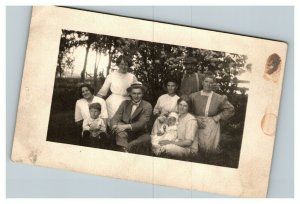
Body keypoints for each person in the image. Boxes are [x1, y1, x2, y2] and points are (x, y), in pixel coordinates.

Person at [189, 72, 235, 153]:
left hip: (211, 123)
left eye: (211, 82)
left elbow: (230, 109)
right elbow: (187, 110)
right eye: (206, 82)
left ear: (214, 84)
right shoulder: (193, 96)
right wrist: (195, 118)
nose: (208, 84)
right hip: (195, 121)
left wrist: (217, 117)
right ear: (202, 82)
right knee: (194, 147)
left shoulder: (219, 98)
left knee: (208, 149)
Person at [110, 82, 153, 152]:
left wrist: (125, 126)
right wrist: (115, 126)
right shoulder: (125, 103)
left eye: (139, 93)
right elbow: (116, 117)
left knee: (146, 138)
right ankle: (125, 150)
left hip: (139, 133)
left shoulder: (147, 105)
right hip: (124, 131)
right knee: (119, 132)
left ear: (142, 94)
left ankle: (126, 149)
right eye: (134, 93)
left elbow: (141, 123)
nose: (136, 96)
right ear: (130, 94)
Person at [96, 55, 138, 120]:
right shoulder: (111, 76)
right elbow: (103, 91)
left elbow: (137, 91)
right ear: (118, 64)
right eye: (122, 64)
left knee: (126, 123)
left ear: (128, 66)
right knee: (114, 123)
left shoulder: (132, 77)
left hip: (127, 102)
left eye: (126, 65)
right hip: (113, 102)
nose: (124, 67)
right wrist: (95, 102)